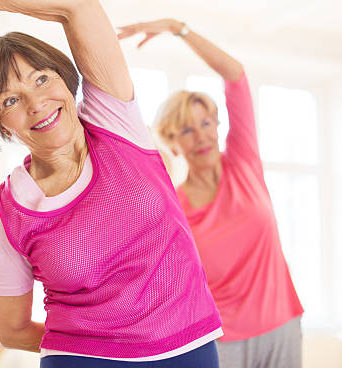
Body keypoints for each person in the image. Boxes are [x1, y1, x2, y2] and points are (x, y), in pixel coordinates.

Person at [0, 0, 222, 368]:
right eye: (11, 99)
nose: (37, 102)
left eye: (41, 78)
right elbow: (10, 329)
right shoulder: (10, 210)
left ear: (64, 76)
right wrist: (96, 344)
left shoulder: (116, 123)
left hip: (189, 351)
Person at [118, 19, 304, 368]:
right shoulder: (174, 206)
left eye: (205, 123)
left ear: (217, 125)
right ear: (172, 142)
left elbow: (235, 76)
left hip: (282, 325)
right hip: (221, 341)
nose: (201, 136)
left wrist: (178, 28)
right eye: (186, 129)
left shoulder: (244, 164)